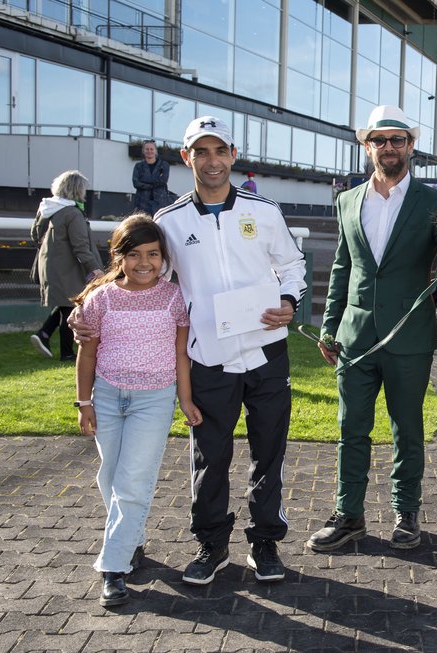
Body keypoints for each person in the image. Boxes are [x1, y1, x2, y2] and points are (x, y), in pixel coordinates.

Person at [71, 115, 307, 586]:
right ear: (187, 158)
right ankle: (212, 543)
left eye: (220, 151)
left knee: (269, 453)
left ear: (233, 156)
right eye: (202, 152)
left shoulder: (264, 211)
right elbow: (141, 272)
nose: (212, 161)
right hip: (208, 358)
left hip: (266, 353)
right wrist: (88, 305)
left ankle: (265, 544)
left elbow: (293, 263)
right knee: (210, 455)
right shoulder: (169, 221)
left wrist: (288, 300)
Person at [307, 105, 437, 553]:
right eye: (380, 140)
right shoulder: (348, 200)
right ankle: (349, 515)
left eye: (398, 140)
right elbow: (343, 267)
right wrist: (330, 326)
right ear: (367, 147)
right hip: (356, 338)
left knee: (407, 429)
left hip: (410, 335)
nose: (389, 148)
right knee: (351, 429)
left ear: (411, 145)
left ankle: (406, 514)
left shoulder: (433, 202)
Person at [72, 214, 202, 608]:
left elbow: (181, 353)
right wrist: (85, 402)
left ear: (164, 257)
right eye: (134, 255)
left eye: (153, 254)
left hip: (154, 399)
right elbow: (87, 353)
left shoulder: (173, 297)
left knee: (132, 482)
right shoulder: (101, 298)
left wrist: (185, 399)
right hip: (108, 397)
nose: (144, 263)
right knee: (110, 477)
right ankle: (132, 541)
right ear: (118, 257)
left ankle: (113, 569)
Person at [30, 170, 104, 362]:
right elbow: (80, 246)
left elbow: (35, 235)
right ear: (77, 190)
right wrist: (95, 269)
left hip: (51, 265)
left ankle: (44, 334)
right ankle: (67, 353)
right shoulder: (72, 213)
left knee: (65, 305)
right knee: (71, 307)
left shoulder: (47, 209)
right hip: (68, 268)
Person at [132, 140, 172, 216]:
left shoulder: (164, 165)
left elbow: (163, 181)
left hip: (160, 203)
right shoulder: (138, 166)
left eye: (151, 149)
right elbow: (136, 183)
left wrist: (144, 181)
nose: (149, 151)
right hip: (142, 203)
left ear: (155, 151)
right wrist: (154, 183)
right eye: (147, 149)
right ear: (143, 151)